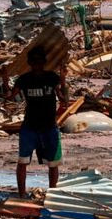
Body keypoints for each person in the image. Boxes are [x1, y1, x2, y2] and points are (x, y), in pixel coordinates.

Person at [7, 46, 68, 198]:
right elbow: (9, 97)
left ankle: (52, 195)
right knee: (23, 161)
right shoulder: (24, 79)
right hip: (30, 126)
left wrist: (63, 79)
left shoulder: (51, 78)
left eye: (39, 61)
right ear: (29, 63)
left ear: (44, 62)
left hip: (49, 126)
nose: (37, 65)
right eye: (34, 62)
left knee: (53, 163)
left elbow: (64, 100)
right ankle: (21, 195)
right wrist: (3, 78)